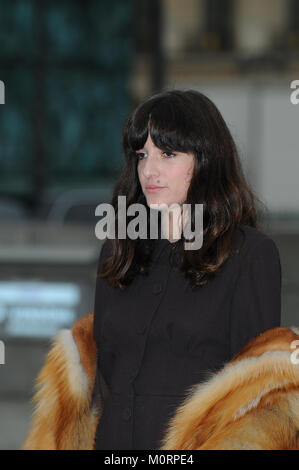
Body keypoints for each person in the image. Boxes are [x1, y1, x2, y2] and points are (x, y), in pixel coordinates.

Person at [92, 89, 282, 450]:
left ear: (206, 160)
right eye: (142, 154)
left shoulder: (248, 255)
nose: (149, 169)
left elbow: (256, 394)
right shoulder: (119, 250)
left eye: (168, 153)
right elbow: (105, 377)